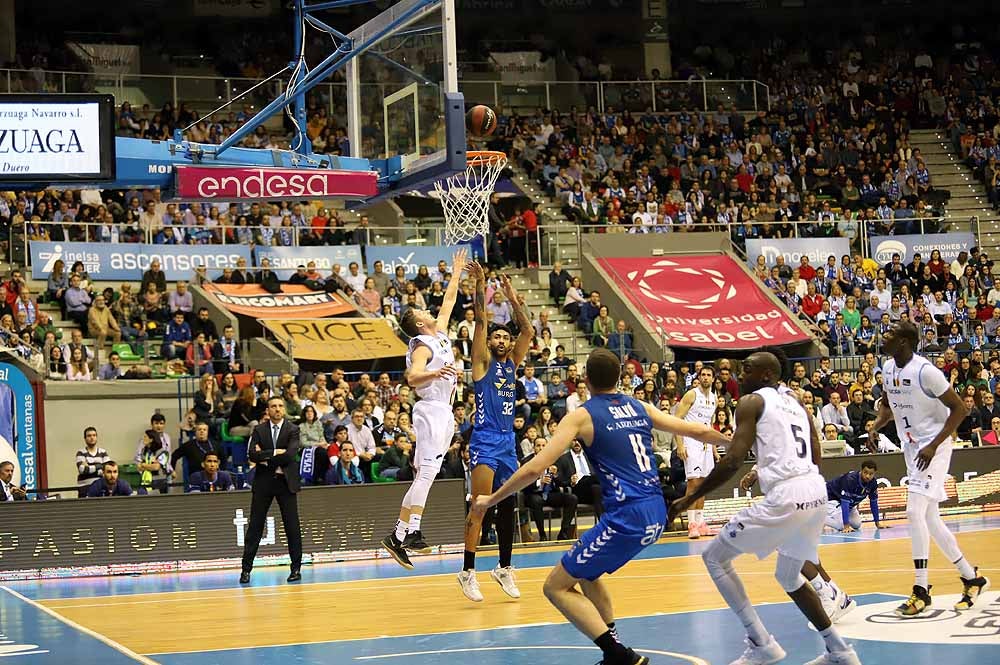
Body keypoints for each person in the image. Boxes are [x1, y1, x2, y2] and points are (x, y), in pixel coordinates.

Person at [473, 348, 729, 665]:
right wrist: (738, 441)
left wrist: (490, 499)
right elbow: (698, 430)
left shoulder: (583, 415)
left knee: (555, 587)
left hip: (628, 516)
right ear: (619, 377)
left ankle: (619, 655)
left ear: (586, 380)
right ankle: (614, 651)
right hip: (656, 512)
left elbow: (535, 468)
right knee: (586, 573)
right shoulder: (638, 405)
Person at [668, 351, 860, 665]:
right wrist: (804, 478)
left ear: (767, 375)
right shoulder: (795, 402)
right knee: (788, 575)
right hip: (814, 488)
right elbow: (813, 444)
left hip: (787, 495)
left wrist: (689, 499)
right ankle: (840, 650)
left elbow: (731, 459)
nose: (739, 377)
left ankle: (761, 642)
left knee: (714, 557)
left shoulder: (751, 402)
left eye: (746, 370)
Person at [868, 321, 990, 616]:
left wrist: (934, 444)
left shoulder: (926, 372)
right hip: (912, 448)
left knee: (913, 511)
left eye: (890, 333)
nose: (883, 336)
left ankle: (921, 590)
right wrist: (876, 425)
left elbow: (960, 408)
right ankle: (971, 578)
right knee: (931, 520)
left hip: (933, 447)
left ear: (904, 342)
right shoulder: (887, 367)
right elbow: (888, 404)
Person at [381, 249, 467, 567]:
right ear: (419, 321)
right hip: (431, 408)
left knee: (426, 473)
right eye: (421, 309)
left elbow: (448, 303)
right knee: (428, 472)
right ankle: (406, 532)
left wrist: (456, 272)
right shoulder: (420, 345)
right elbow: (413, 377)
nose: (428, 310)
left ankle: (405, 533)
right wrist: (436, 372)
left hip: (443, 409)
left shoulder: (439, 334)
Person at [457, 263, 534, 603]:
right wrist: (482, 283)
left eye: (506, 336)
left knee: (508, 504)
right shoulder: (482, 364)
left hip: (507, 443)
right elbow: (480, 320)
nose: (502, 339)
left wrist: (514, 299)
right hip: (485, 440)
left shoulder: (511, 364)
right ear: (489, 342)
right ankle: (467, 571)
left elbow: (528, 331)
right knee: (480, 505)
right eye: (497, 336)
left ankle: (504, 567)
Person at [240, 397, 303, 585]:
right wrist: (276, 453)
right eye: (273, 406)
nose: (277, 409)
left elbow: (291, 454)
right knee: (255, 527)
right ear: (268, 410)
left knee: (292, 527)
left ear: (284, 409)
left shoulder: (293, 429)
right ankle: (245, 569)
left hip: (286, 482)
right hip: (264, 483)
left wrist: (265, 456)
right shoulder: (259, 429)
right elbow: (251, 454)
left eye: (280, 406)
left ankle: (296, 568)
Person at [673, 365, 721, 538]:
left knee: (704, 484)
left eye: (709, 375)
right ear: (699, 377)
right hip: (691, 442)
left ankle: (701, 523)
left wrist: (715, 448)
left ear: (714, 379)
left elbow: (710, 425)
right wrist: (680, 444)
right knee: (693, 483)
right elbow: (676, 420)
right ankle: (692, 523)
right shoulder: (692, 394)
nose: (706, 377)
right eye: (703, 375)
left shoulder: (715, 398)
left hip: (706, 444)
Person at [75, 426, 110, 497]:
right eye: (89, 436)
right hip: (85, 488)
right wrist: (100, 466)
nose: (92, 437)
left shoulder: (103, 452)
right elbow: (83, 470)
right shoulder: (81, 453)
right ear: (85, 439)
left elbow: (107, 470)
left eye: (94, 435)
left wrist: (89, 467)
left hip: (100, 487)